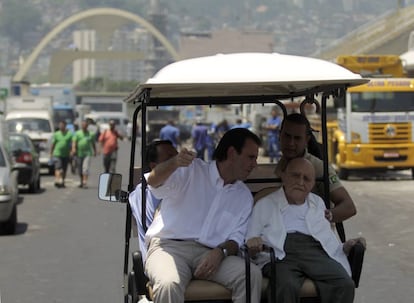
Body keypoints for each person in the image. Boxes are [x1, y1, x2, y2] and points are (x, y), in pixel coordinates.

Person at [145, 128, 263, 303]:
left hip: (212, 253)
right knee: (169, 283)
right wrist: (174, 163)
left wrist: (220, 252)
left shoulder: (244, 196)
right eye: (251, 157)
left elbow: (236, 238)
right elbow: (153, 182)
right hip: (170, 247)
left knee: (251, 275)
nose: (255, 164)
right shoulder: (191, 171)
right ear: (232, 153)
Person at [246, 158, 363, 303]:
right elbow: (249, 241)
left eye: (306, 179)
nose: (301, 182)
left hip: (316, 253)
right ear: (284, 176)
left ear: (312, 184)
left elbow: (327, 239)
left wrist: (345, 247)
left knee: (344, 284)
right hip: (280, 255)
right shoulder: (265, 204)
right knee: (285, 285)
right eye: (295, 175)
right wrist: (253, 244)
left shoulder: (317, 203)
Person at [276, 113, 356, 223]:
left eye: (297, 138)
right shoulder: (278, 167)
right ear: (279, 136)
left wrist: (321, 218)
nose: (291, 143)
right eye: (287, 136)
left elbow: (349, 207)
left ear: (306, 140)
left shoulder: (319, 168)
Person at [128, 140, 178, 261]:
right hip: (162, 255)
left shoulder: (183, 186)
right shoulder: (143, 194)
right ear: (154, 167)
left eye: (177, 156)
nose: (177, 163)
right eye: (171, 159)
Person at [71, 120, 96, 188]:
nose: (84, 126)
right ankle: (81, 181)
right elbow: (74, 141)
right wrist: (73, 149)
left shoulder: (90, 134)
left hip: (87, 153)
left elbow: (93, 143)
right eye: (83, 125)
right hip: (79, 154)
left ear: (87, 126)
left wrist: (95, 151)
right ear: (81, 126)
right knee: (79, 169)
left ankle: (85, 182)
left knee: (85, 168)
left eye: (85, 125)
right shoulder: (77, 133)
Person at [50, 121, 73, 188]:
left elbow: (72, 144)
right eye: (60, 125)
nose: (61, 127)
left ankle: (62, 181)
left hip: (66, 154)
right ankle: (57, 180)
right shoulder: (56, 134)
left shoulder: (69, 134)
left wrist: (72, 151)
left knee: (64, 169)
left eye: (62, 125)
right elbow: (53, 144)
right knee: (58, 167)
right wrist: (51, 153)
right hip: (57, 154)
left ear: (65, 126)